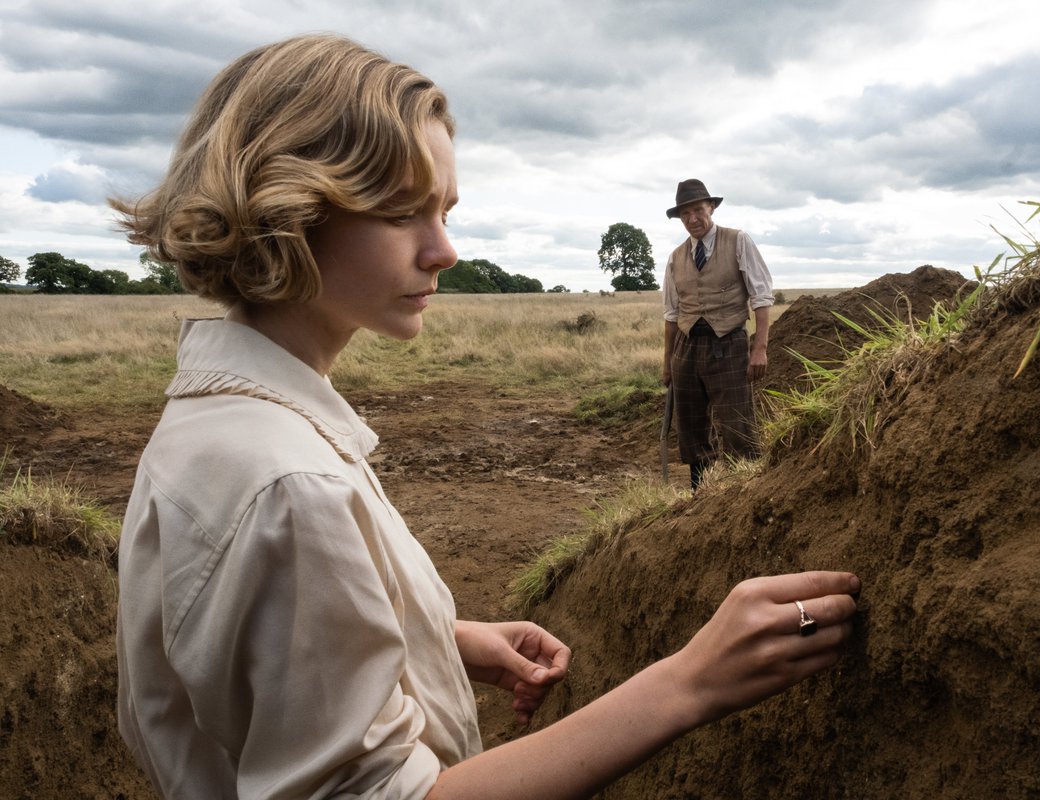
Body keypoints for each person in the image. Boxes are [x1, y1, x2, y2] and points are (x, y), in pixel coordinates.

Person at [112, 34, 859, 799]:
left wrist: (431, 638)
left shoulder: (215, 422)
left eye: (445, 210)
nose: (444, 249)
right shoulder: (287, 486)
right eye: (403, 212)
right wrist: (690, 685)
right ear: (287, 209)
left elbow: (243, 663)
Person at [661, 179, 774, 489]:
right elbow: (672, 314)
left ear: (711, 207)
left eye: (698, 210)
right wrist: (667, 361)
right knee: (692, 427)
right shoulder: (675, 257)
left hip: (729, 344)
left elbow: (761, 297)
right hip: (686, 348)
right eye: (685, 215)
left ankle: (745, 491)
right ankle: (701, 495)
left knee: (737, 423)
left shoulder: (738, 241)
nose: (692, 220)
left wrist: (760, 348)